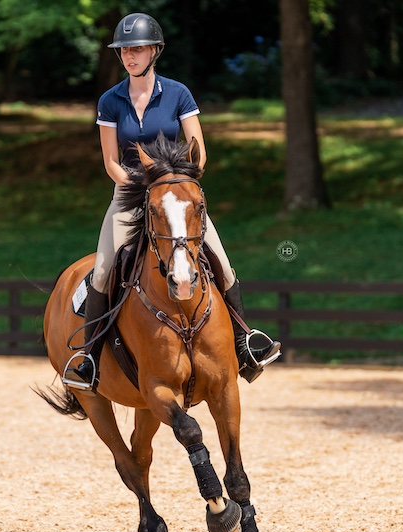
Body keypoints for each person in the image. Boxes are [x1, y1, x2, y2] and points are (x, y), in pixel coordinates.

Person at [63, 12, 280, 389]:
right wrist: (142, 186)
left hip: (177, 197)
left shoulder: (178, 93)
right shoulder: (110, 101)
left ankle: (246, 344)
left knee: (223, 266)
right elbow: (111, 162)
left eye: (138, 49)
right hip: (129, 196)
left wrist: (174, 185)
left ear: (154, 51)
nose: (129, 57)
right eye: (124, 51)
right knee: (101, 271)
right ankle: (89, 360)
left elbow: (199, 153)